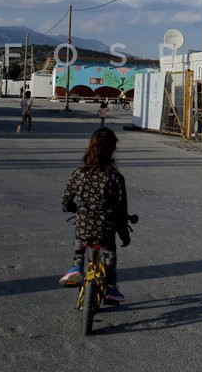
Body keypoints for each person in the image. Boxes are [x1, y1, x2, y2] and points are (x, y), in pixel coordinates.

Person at [58, 128, 131, 304]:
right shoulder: (115, 177)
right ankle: (112, 286)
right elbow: (121, 209)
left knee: (81, 231)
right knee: (109, 250)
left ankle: (77, 265)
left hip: (84, 224)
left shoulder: (79, 174)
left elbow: (66, 199)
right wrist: (124, 234)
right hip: (106, 228)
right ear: (113, 150)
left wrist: (72, 207)